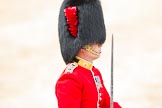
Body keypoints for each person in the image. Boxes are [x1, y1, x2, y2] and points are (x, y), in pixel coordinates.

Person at [55, 0, 122, 108]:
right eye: (95, 41)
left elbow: (106, 103)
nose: (100, 44)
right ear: (82, 45)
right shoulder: (70, 78)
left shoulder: (94, 73)